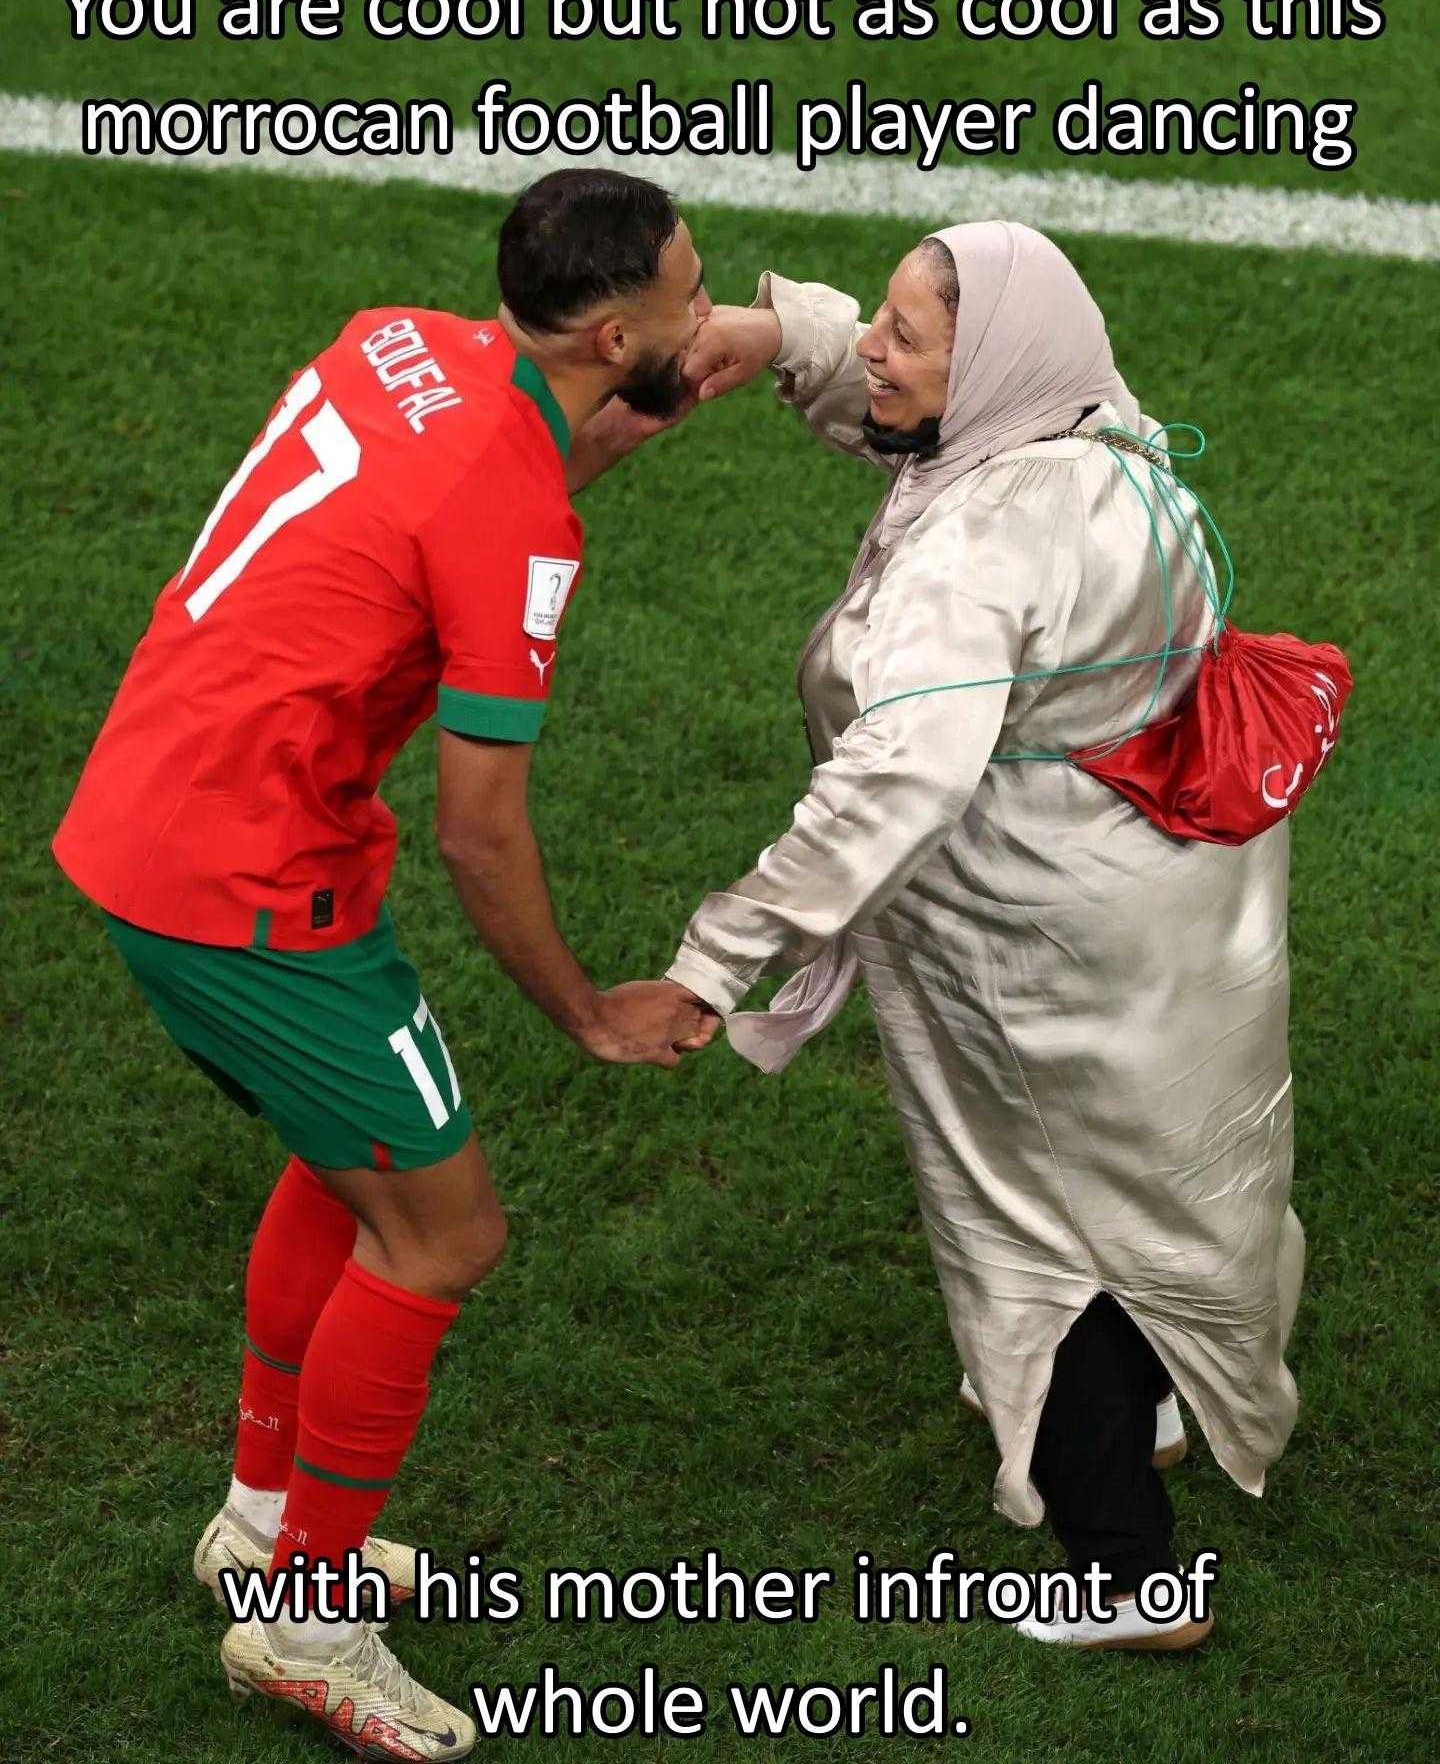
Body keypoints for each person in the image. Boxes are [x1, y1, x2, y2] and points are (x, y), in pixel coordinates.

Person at [52, 168, 719, 1759]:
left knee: (347, 1166)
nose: (708, 308)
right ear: (613, 328)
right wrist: (590, 1011)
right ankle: (307, 1621)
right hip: (250, 888)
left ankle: (260, 1522)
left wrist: (735, 350)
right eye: (692, 295)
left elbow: (521, 460)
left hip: (161, 812)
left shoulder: (401, 340)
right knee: (443, 1236)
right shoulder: (515, 519)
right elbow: (483, 833)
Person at [667, 221, 1303, 1652]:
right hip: (1162, 903)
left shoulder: (973, 554)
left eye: (904, 332)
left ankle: (1131, 1578)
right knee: (1136, 1172)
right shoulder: (1095, 415)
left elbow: (897, 779)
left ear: (993, 362)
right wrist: (792, 337)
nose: (877, 354)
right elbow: (920, 411)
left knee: (1036, 1223)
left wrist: (718, 957)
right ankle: (1145, 1409)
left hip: (1030, 938)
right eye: (877, 324)